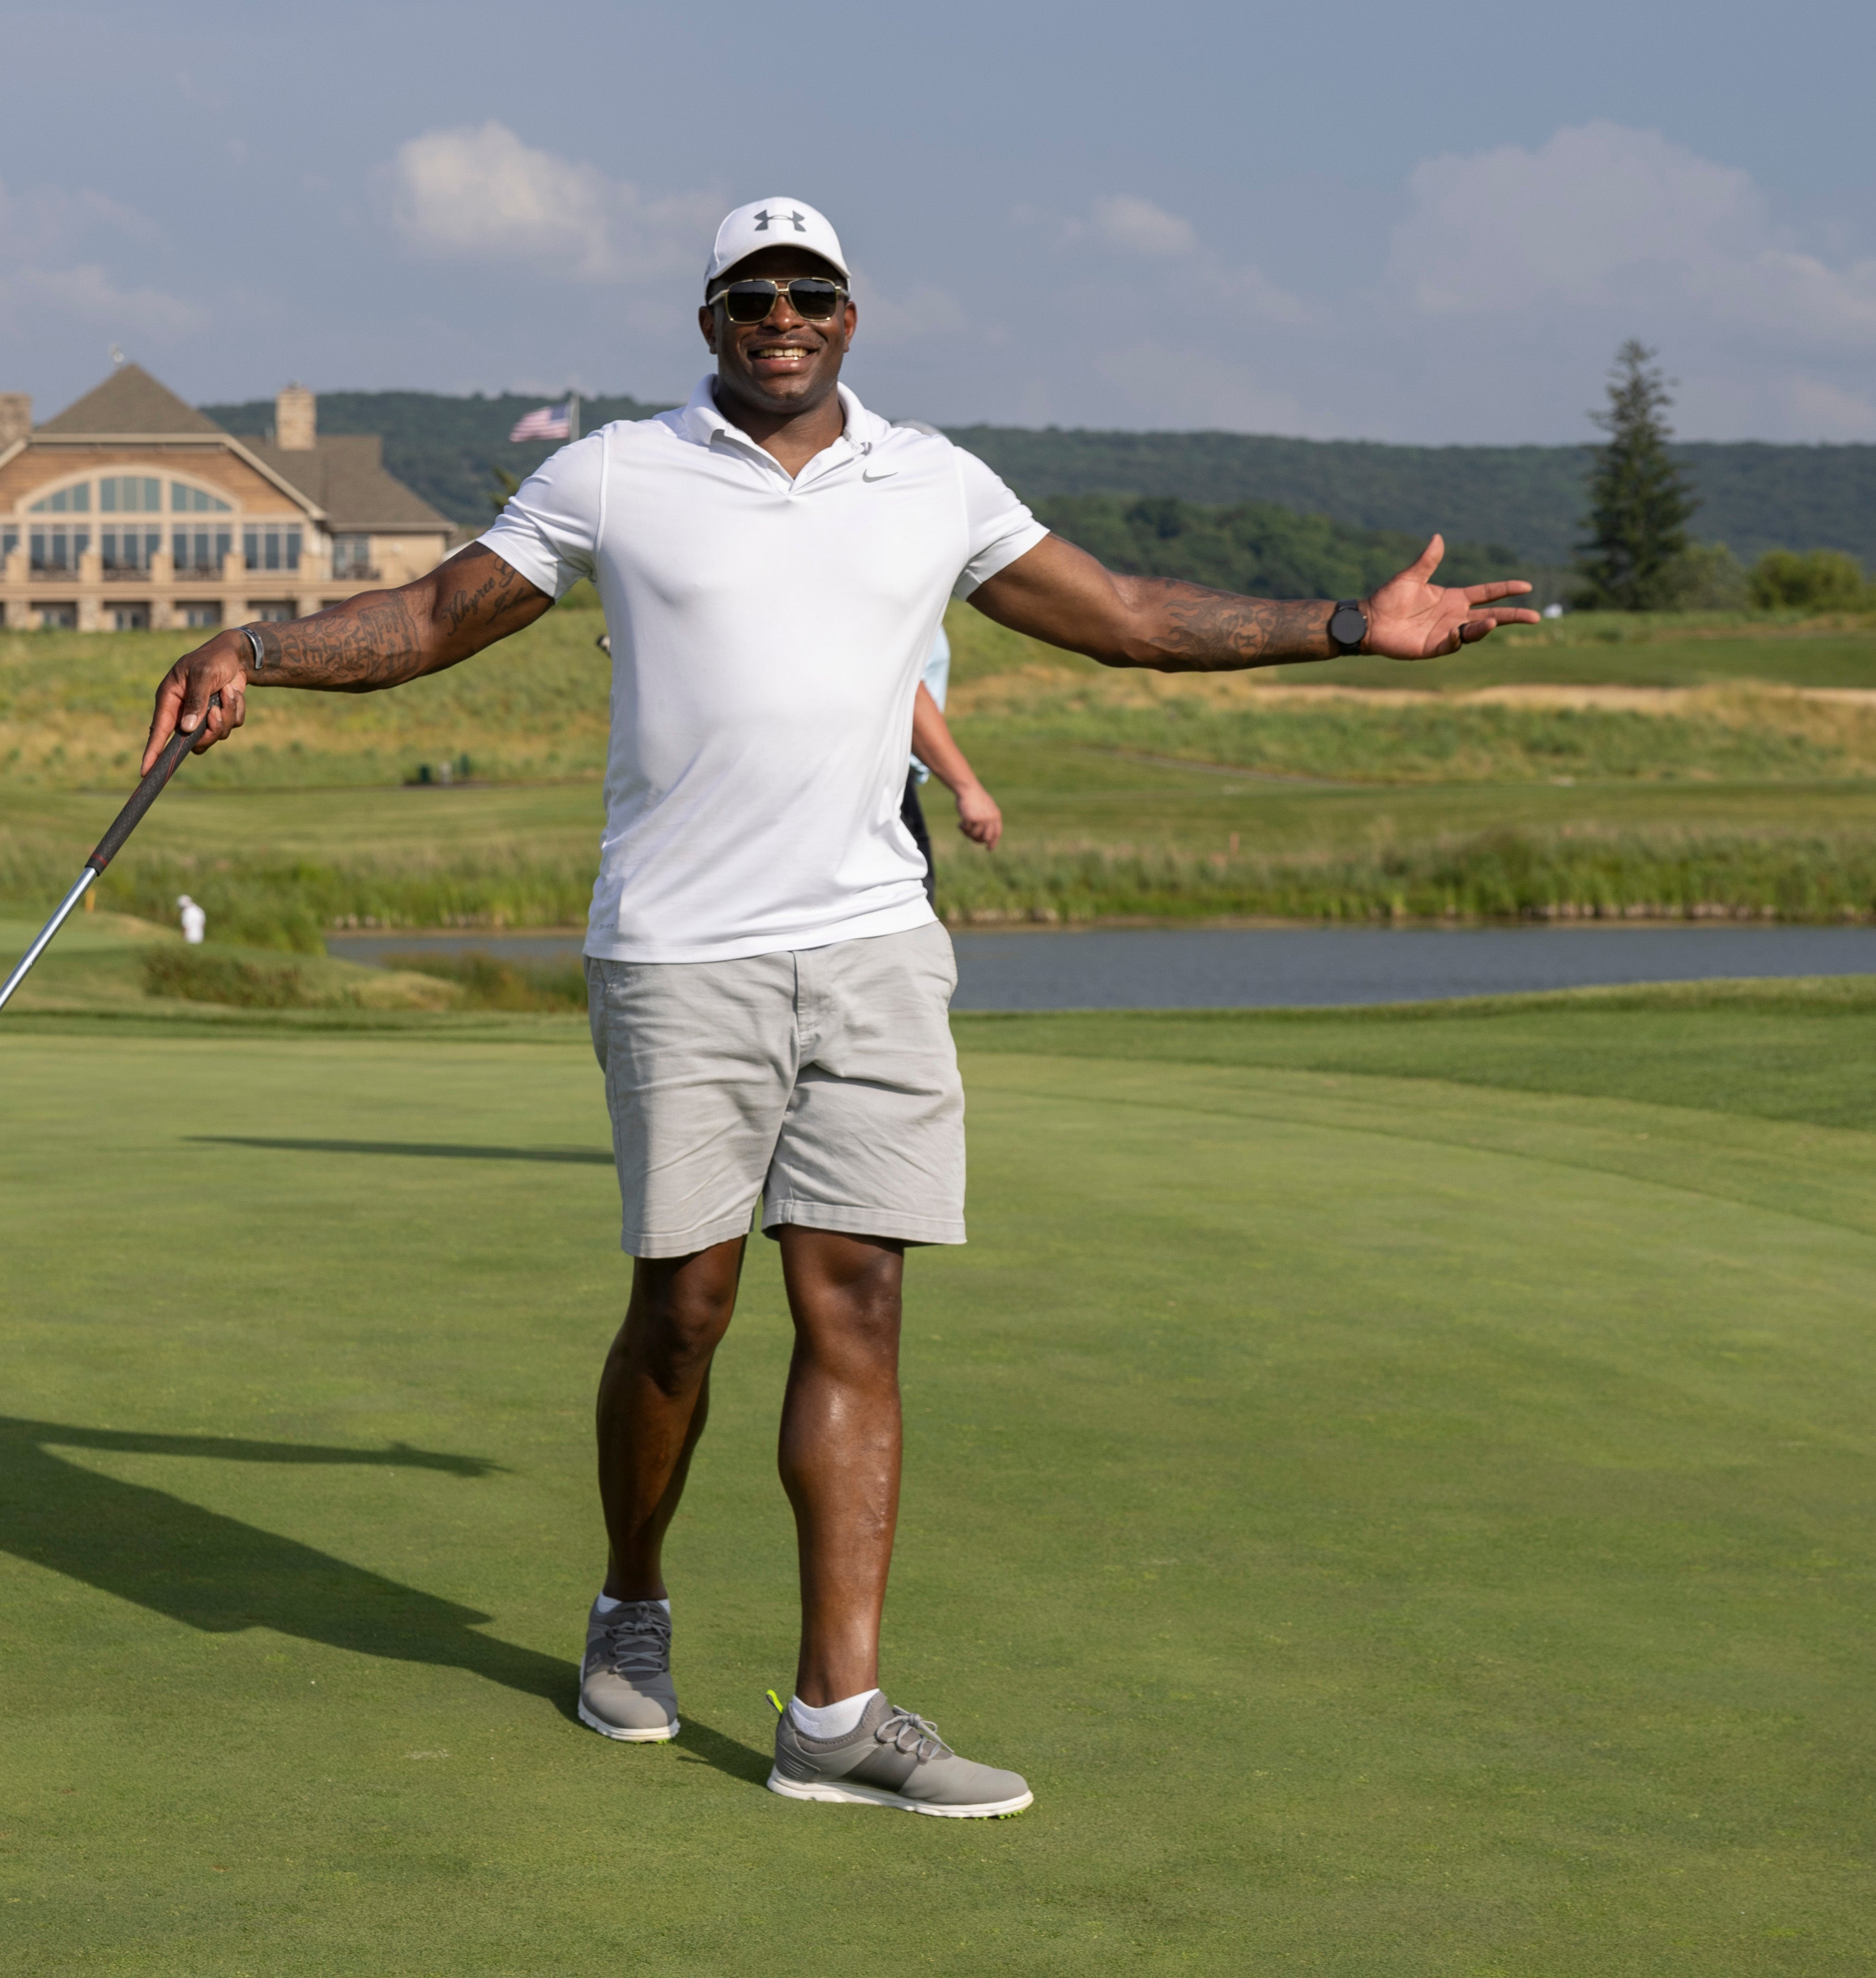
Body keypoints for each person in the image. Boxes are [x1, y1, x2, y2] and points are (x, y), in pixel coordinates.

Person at [142, 196, 1534, 1819]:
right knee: (685, 1309)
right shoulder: (617, 471)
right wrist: (257, 645)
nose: (783, 316)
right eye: (753, 296)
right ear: (710, 321)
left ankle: (835, 1714)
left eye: (810, 292)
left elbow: (1130, 617)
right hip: (678, 952)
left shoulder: (932, 481)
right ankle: (632, 1597)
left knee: (857, 1300)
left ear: (851, 317)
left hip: (873, 942)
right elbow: (436, 617)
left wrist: (1348, 624)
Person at [899, 623, 1000, 907]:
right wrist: (967, 788)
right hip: (885, 783)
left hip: (900, 781)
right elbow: (905, 691)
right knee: (909, 912)